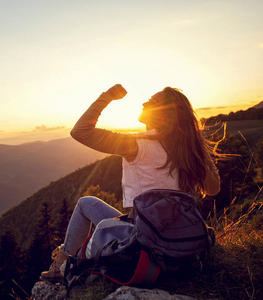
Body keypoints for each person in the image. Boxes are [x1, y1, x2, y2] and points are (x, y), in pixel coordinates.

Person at [40, 84, 221, 281]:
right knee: (96, 207)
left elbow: (80, 131)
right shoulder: (187, 151)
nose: (145, 102)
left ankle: (62, 266)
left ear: (165, 114)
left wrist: (107, 96)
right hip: (180, 235)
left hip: (144, 237)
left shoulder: (136, 144)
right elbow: (213, 189)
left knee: (86, 203)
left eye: (153, 101)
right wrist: (197, 147)